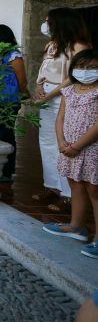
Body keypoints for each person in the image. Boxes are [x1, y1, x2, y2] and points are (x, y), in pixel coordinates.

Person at [33, 8, 91, 212]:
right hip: (47, 97)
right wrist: (39, 87)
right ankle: (52, 186)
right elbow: (43, 70)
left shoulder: (78, 46)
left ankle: (68, 194)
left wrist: (51, 93)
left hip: (64, 97)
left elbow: (75, 75)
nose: (46, 24)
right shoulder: (52, 45)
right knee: (46, 142)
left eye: (49, 21)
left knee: (63, 141)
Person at [42, 49, 98, 259]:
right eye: (81, 67)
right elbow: (60, 118)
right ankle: (76, 227)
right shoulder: (71, 90)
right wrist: (62, 141)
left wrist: (78, 145)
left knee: (94, 189)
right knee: (75, 183)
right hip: (68, 146)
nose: (86, 72)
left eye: (92, 68)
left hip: (91, 148)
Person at [0, 25, 28, 182]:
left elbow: (22, 81)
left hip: (8, 102)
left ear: (2, 37)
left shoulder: (13, 56)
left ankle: (7, 171)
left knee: (5, 134)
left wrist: (18, 96)